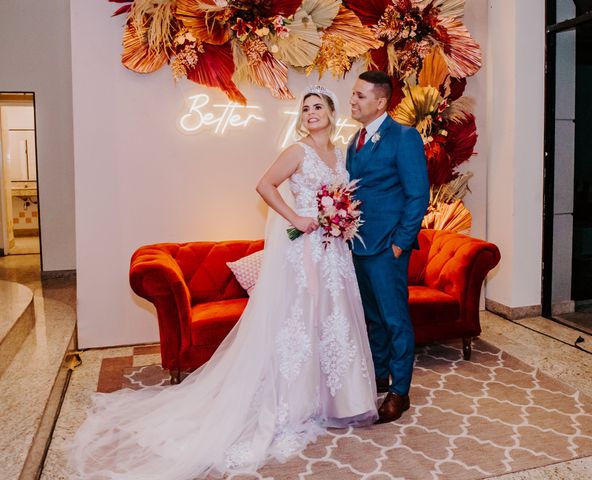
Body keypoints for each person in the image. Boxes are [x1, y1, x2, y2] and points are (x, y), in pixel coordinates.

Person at [69, 85, 378, 479]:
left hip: (333, 251)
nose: (311, 113)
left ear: (332, 113)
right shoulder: (296, 151)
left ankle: (335, 400)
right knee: (298, 323)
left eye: (318, 107)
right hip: (304, 252)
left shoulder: (341, 153)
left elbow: (343, 196)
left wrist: (341, 217)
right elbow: (264, 186)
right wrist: (297, 217)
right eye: (306, 108)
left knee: (331, 322)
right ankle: (293, 403)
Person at [347, 70, 430, 424]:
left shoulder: (404, 137)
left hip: (386, 249)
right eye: (353, 94)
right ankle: (381, 376)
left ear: (381, 101)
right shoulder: (355, 140)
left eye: (360, 96)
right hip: (359, 245)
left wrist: (399, 245)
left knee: (395, 320)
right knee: (373, 319)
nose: (353, 100)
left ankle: (400, 392)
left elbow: (417, 197)